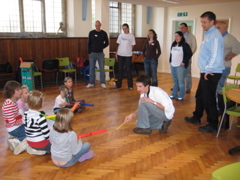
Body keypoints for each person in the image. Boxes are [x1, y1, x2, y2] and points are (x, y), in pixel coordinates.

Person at [184, 11, 224, 133]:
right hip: (206, 71)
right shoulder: (209, 34)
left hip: (211, 72)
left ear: (212, 22)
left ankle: (212, 124)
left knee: (208, 98)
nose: (202, 24)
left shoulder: (215, 35)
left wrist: (208, 69)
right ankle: (196, 117)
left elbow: (216, 55)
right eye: (201, 21)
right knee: (200, 95)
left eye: (204, 22)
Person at [2, 80, 28, 155]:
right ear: (12, 92)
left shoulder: (13, 102)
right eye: (18, 90)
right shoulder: (8, 105)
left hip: (18, 126)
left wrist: (24, 118)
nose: (21, 91)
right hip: (15, 128)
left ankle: (16, 138)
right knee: (31, 135)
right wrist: (23, 120)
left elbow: (17, 116)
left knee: (32, 131)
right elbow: (12, 122)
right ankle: (16, 142)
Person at [215, 21, 240, 93]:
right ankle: (217, 102)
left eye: (218, 28)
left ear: (224, 29)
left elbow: (238, 48)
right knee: (217, 86)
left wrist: (229, 56)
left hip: (224, 67)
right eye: (216, 28)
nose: (216, 29)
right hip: (217, 67)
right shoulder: (218, 37)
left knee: (219, 87)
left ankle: (220, 103)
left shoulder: (229, 38)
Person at [24, 90, 51, 155]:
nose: (44, 102)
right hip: (40, 144)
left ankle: (30, 147)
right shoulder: (40, 118)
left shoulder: (26, 113)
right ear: (39, 103)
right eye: (43, 101)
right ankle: (40, 151)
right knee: (57, 147)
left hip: (30, 141)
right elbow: (47, 136)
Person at [169, 31, 192, 101]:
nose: (176, 38)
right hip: (173, 65)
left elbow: (189, 54)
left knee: (181, 81)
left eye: (177, 36)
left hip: (180, 66)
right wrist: (170, 60)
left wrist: (184, 61)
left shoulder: (185, 45)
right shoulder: (173, 44)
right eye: (175, 36)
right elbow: (171, 54)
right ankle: (174, 93)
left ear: (181, 37)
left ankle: (181, 94)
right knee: (175, 80)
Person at [86, 20, 109, 89]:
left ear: (100, 25)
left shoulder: (104, 33)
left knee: (102, 69)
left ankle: (102, 82)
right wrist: (89, 52)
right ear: (95, 25)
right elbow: (88, 43)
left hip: (100, 54)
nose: (97, 26)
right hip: (92, 54)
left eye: (98, 25)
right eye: (96, 25)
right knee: (92, 69)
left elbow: (107, 43)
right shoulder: (91, 33)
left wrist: (101, 47)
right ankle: (91, 83)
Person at [114, 23, 136, 90]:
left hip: (128, 55)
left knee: (128, 70)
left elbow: (133, 45)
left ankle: (130, 86)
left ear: (128, 28)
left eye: (125, 29)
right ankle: (118, 85)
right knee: (120, 70)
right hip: (120, 54)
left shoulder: (131, 36)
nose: (124, 30)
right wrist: (116, 53)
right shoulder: (120, 35)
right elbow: (119, 45)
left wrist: (128, 49)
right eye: (123, 29)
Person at [179, 23, 197, 93]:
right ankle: (180, 87)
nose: (181, 29)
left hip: (187, 58)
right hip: (179, 58)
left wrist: (188, 55)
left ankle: (188, 88)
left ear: (187, 28)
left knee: (187, 73)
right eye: (180, 28)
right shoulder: (179, 36)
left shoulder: (191, 37)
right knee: (179, 73)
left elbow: (194, 47)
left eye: (182, 28)